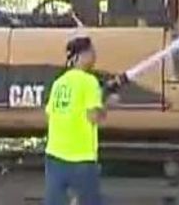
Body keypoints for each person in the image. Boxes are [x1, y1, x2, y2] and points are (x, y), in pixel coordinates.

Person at [44, 35, 122, 205]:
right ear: (80, 56)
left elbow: (51, 113)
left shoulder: (59, 82)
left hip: (55, 156)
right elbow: (93, 117)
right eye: (91, 52)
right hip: (80, 158)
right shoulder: (89, 81)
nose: (94, 56)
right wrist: (107, 104)